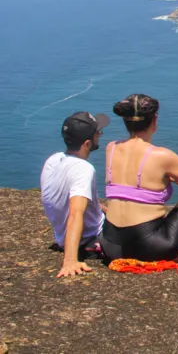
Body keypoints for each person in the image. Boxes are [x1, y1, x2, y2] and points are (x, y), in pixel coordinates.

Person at [99, 94, 178, 262]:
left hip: (110, 246)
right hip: (150, 247)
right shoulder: (162, 156)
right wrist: (173, 178)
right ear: (154, 120)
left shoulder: (111, 148)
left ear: (125, 122)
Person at [41, 111, 109, 278]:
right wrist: (70, 260)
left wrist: (103, 208)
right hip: (91, 239)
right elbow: (75, 212)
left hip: (64, 235)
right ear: (87, 143)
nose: (99, 136)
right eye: (97, 133)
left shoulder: (53, 160)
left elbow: (63, 198)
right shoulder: (83, 169)